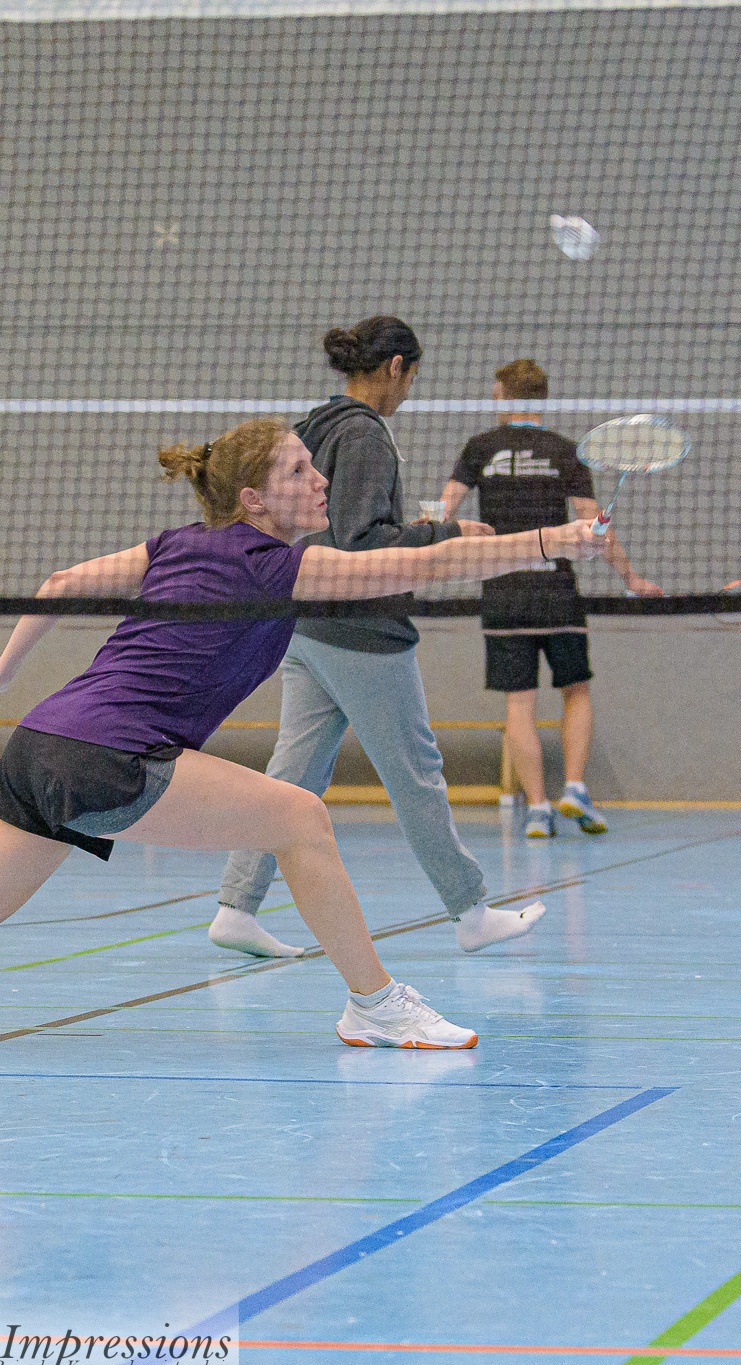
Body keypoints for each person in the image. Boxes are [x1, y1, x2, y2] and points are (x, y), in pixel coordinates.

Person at [0, 418, 604, 1053]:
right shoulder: (278, 567)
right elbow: (423, 566)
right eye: (298, 472)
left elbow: (61, 584)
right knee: (300, 818)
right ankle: (376, 1005)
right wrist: (551, 541)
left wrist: (0, 673)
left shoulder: (175, 545)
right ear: (253, 501)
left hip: (41, 741)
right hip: (109, 754)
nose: (318, 481)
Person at [207, 317, 549, 961]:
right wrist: (447, 534)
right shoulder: (365, 433)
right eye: (411, 377)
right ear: (395, 367)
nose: (408, 391)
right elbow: (363, 543)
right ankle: (471, 911)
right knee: (417, 773)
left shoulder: (316, 425)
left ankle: (236, 906)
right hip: (360, 631)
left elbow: (339, 528)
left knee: (292, 776)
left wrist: (415, 526)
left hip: (305, 621)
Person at [440, 358, 661, 838]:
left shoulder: (480, 448)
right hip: (557, 592)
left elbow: (442, 513)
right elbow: (594, 524)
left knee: (519, 705)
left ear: (503, 394)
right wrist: (630, 577)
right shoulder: (564, 450)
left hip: (503, 594)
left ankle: (538, 808)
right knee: (575, 691)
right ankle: (575, 788)